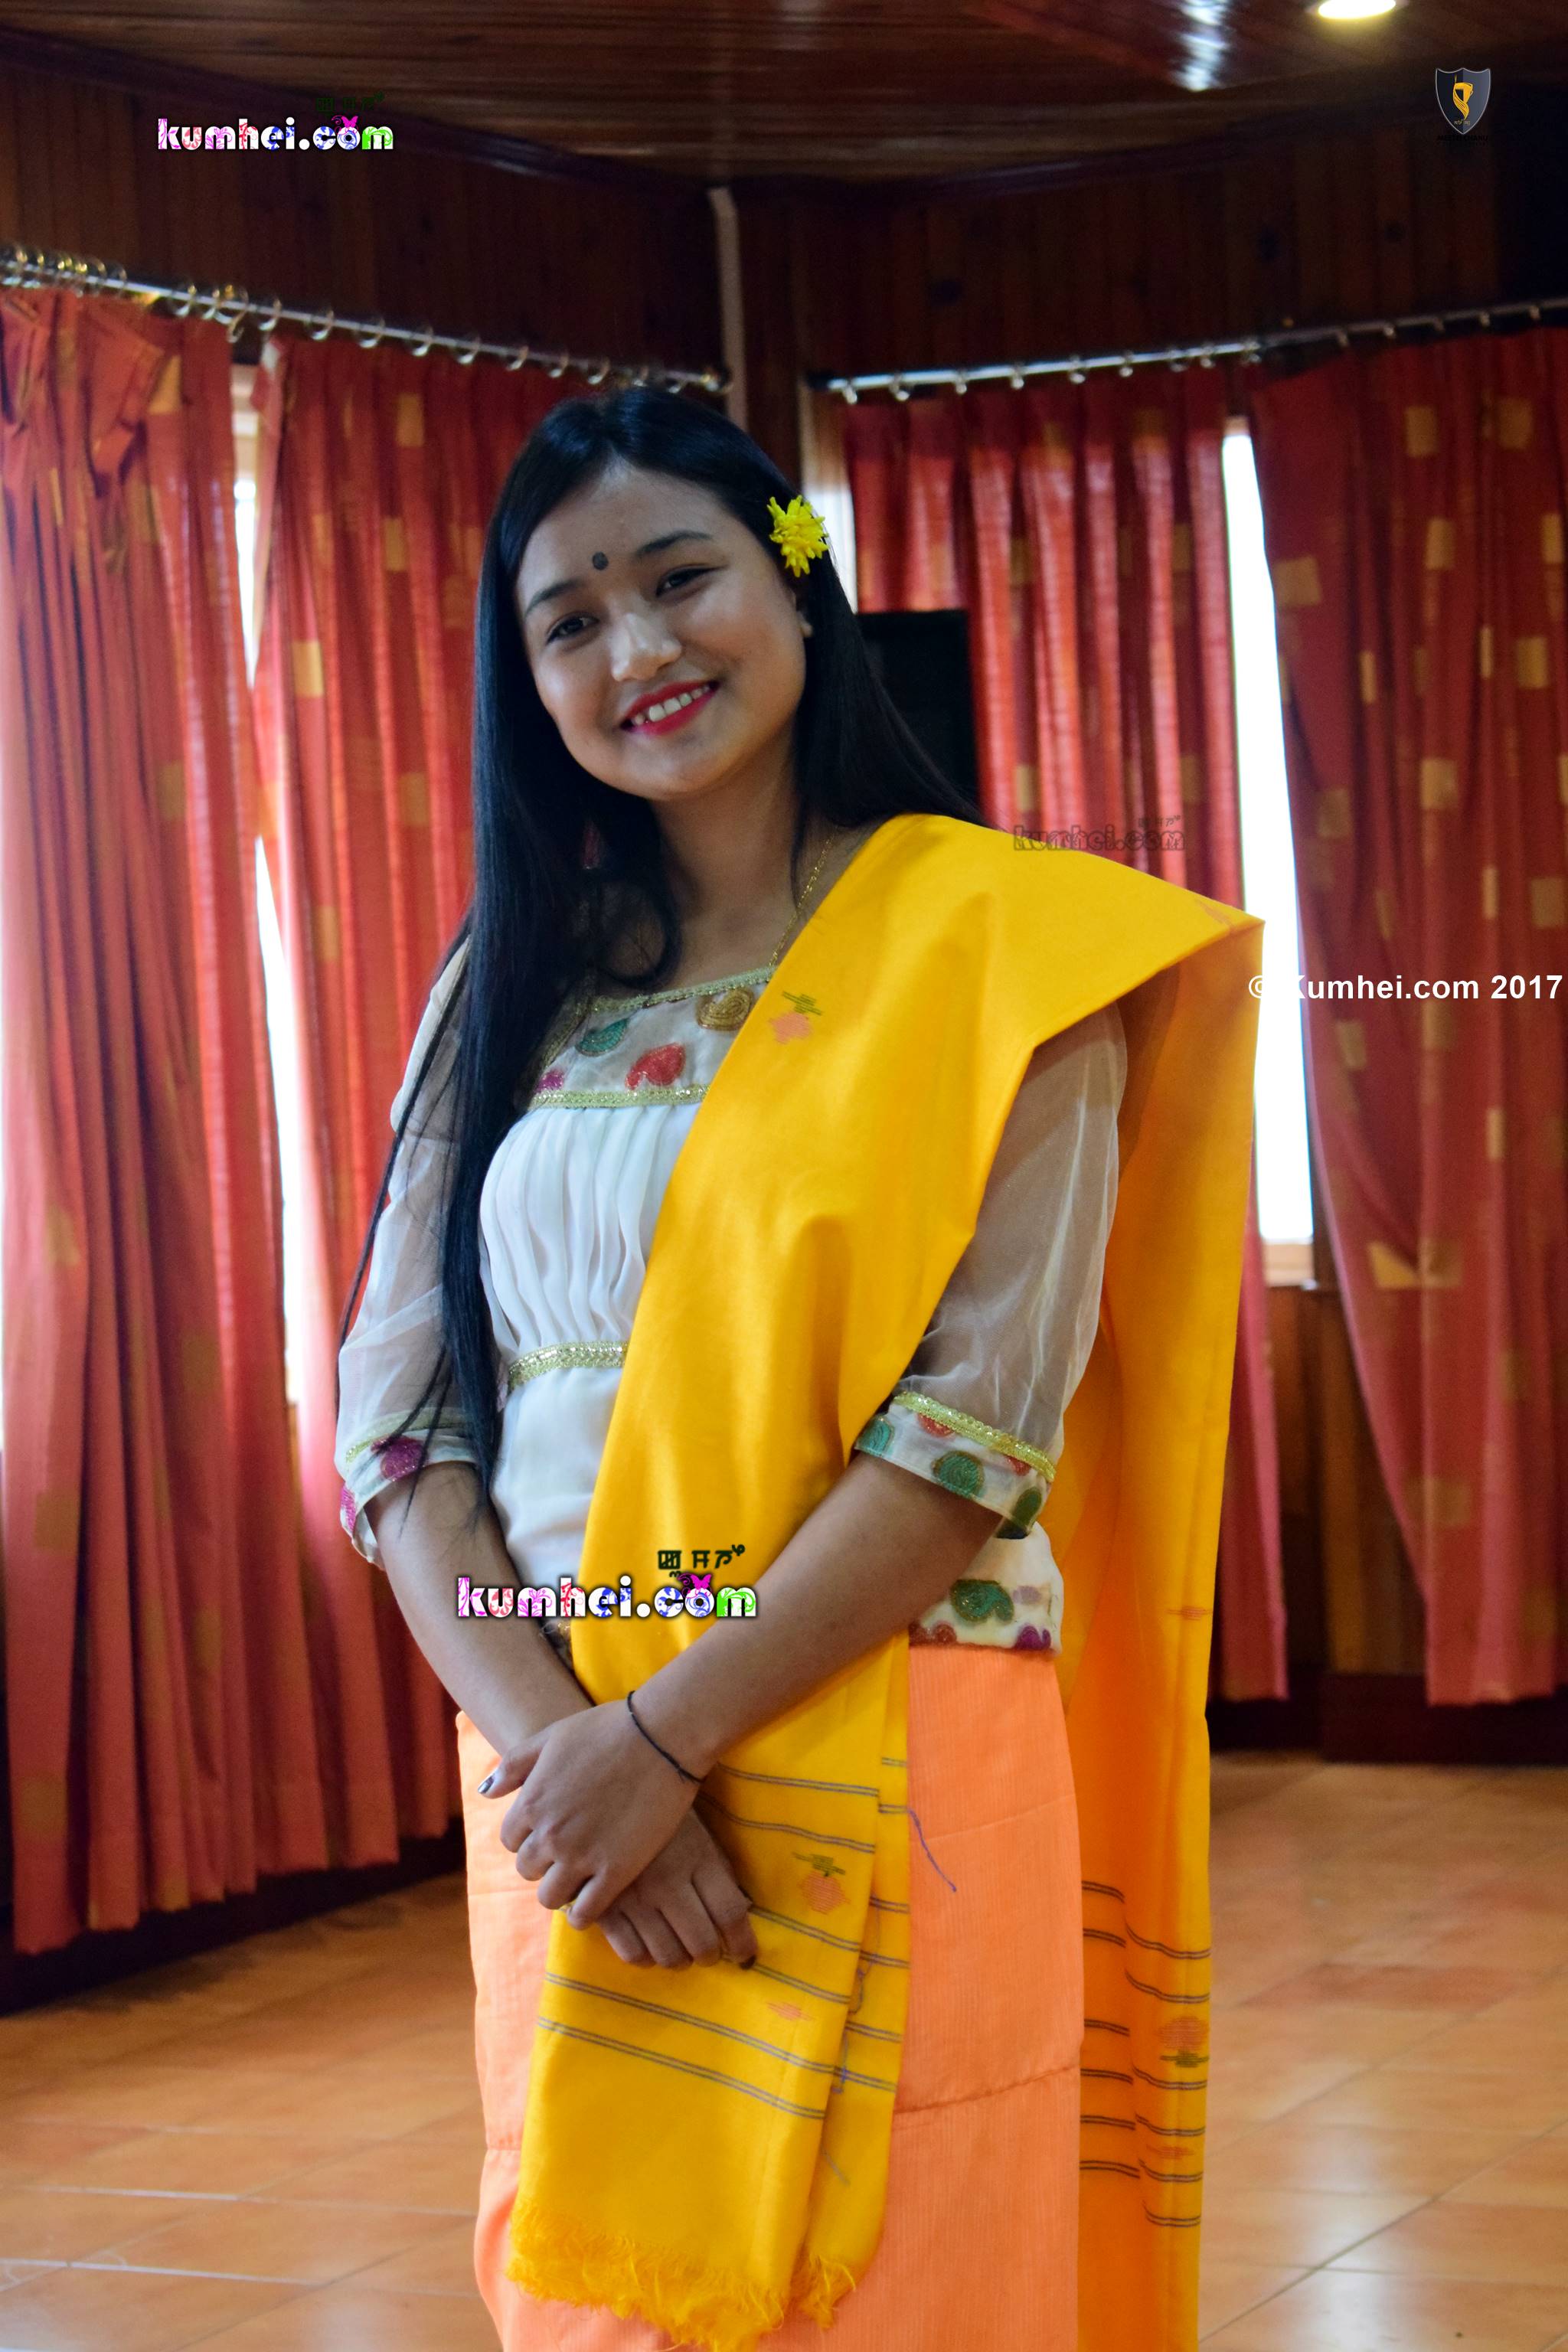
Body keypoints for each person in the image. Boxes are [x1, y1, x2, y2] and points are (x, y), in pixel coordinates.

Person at [333, 387, 1262, 2352]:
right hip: (555, 1735)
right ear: (526, 681)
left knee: (909, 2273)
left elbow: (966, 1439)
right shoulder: (510, 975)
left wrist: (667, 1745)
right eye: (570, 620)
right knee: (610, 2288)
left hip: (888, 1714)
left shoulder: (1001, 947)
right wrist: (571, 1757)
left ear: (798, 580)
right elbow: (401, 1434)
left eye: (680, 579)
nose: (637, 650)